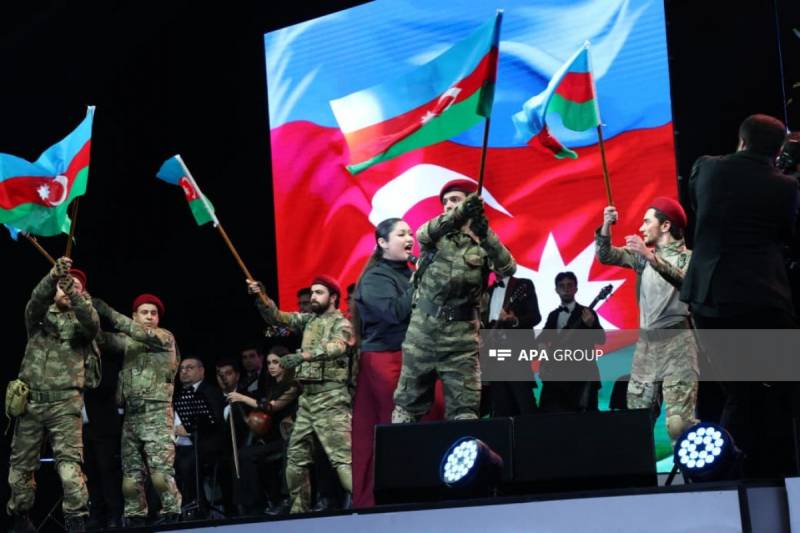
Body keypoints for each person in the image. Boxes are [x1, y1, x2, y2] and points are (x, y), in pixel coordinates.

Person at [681, 114, 799, 476]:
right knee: (783, 387)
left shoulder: (706, 170)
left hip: (709, 301)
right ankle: (782, 469)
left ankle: (730, 472)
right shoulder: (785, 187)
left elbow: (702, 211)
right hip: (761, 300)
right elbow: (786, 236)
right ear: (777, 150)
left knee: (740, 390)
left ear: (741, 140)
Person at [392, 180, 516, 422]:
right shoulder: (435, 234)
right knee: (407, 407)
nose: (448, 205)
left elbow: (508, 268)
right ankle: (402, 456)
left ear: (472, 204)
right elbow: (422, 233)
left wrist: (484, 233)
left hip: (462, 342)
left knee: (465, 412)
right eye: (445, 202)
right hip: (423, 334)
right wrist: (461, 212)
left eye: (455, 200)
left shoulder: (483, 241)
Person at [350, 218, 445, 508]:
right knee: (399, 424)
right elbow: (395, 313)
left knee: (435, 415)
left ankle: (431, 486)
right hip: (387, 360)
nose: (410, 238)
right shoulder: (375, 277)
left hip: (419, 354)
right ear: (382, 243)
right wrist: (421, 279)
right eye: (401, 234)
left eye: (411, 233)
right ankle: (398, 492)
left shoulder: (410, 271)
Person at [246, 276, 353, 514]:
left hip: (332, 397)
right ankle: (298, 513)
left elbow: (339, 346)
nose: (313, 297)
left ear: (333, 297)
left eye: (319, 293)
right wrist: (262, 297)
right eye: (312, 293)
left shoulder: (342, 322)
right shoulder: (308, 320)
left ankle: (368, 506)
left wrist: (304, 356)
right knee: (295, 459)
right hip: (308, 400)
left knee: (342, 459)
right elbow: (278, 318)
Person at [8, 258, 100, 533]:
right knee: (19, 470)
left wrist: (74, 291)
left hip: (64, 404)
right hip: (31, 403)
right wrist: (51, 276)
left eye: (74, 287)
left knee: (69, 469)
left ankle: (76, 520)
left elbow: (92, 321)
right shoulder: (38, 320)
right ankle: (20, 517)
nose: (67, 289)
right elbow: (34, 301)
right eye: (63, 286)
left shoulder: (84, 324)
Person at [596, 198, 699, 442]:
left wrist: (650, 257)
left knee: (678, 425)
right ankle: (639, 478)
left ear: (665, 226)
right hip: (647, 347)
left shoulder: (690, 258)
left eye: (646, 222)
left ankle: (693, 478)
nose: (641, 228)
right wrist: (606, 226)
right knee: (637, 422)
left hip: (678, 344)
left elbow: (686, 283)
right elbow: (606, 255)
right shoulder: (643, 258)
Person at [93, 293, 182, 526]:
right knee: (130, 478)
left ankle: (172, 513)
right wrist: (84, 311)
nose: (150, 317)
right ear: (135, 316)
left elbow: (138, 332)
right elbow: (100, 338)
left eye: (153, 313)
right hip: (132, 415)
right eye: (145, 312)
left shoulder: (164, 337)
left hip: (157, 413)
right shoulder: (128, 341)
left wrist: (105, 309)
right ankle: (135, 516)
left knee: (161, 475)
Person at [230, 350, 299, 516]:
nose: (272, 366)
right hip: (273, 438)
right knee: (244, 454)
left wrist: (243, 398)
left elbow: (271, 407)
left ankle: (273, 501)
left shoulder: (293, 385)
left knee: (250, 454)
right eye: (269, 363)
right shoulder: (271, 386)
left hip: (290, 438)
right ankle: (253, 504)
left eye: (276, 362)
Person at [538, 272, 605, 412]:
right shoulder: (553, 315)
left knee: (585, 421)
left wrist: (591, 324)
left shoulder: (588, 313)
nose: (566, 289)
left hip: (583, 375)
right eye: (562, 286)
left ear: (576, 288)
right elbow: (542, 339)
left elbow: (601, 339)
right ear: (556, 290)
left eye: (570, 285)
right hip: (557, 377)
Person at [483, 274, 542, 416]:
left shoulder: (523, 284)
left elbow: (535, 316)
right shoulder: (488, 291)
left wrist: (515, 321)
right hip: (493, 356)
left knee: (524, 402)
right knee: (500, 405)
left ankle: (535, 436)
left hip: (515, 352)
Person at [173, 358, 224, 518]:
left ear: (201, 371)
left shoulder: (210, 391)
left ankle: (196, 508)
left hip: (206, 444)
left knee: (186, 463)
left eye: (190, 368)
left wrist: (188, 431)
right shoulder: (178, 394)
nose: (184, 371)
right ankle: (169, 510)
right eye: (181, 369)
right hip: (181, 444)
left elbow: (215, 422)